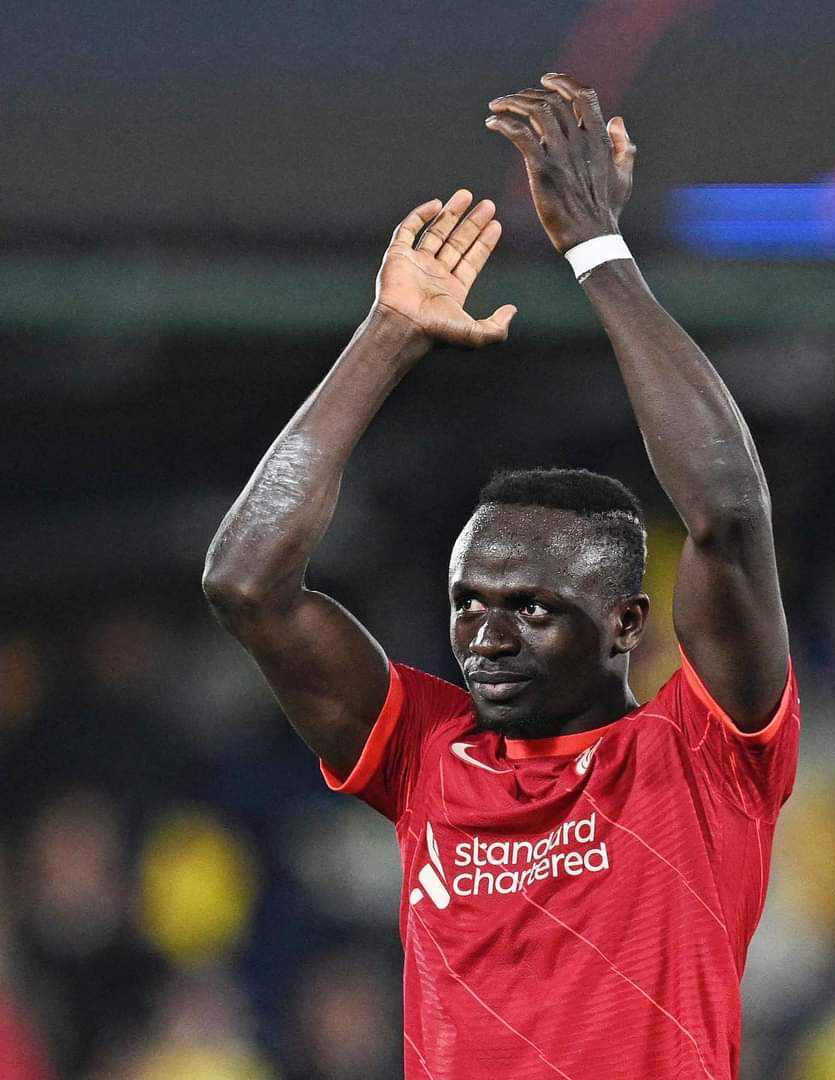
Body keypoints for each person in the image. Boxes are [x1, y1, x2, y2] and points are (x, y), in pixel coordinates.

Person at [203, 72, 799, 1080]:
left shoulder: (701, 762)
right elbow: (246, 584)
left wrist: (597, 249)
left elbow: (730, 515)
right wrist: (388, 335)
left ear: (625, 624)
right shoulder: (427, 754)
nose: (486, 635)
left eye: (529, 608)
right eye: (468, 603)